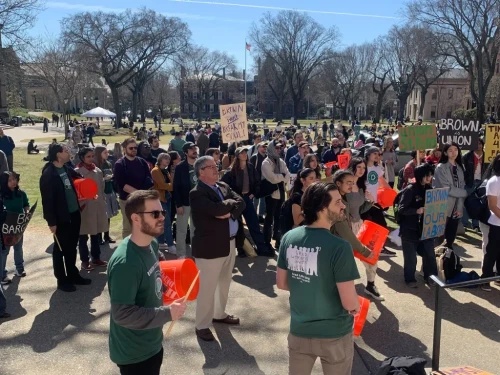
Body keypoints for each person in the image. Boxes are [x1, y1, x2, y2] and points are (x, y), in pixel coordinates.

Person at [277, 182, 360, 375]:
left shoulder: (289, 238)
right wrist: (356, 306)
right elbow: (349, 302)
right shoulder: (340, 247)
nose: (343, 205)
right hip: (334, 334)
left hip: (299, 331)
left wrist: (308, 285)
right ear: (323, 208)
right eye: (338, 201)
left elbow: (281, 283)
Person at [107, 190, 187, 374]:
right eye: (155, 214)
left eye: (163, 212)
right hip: (134, 354)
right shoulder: (125, 264)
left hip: (152, 342)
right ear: (135, 219)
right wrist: (168, 313)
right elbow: (122, 314)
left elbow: (155, 267)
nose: (162, 218)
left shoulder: (151, 243)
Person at [190, 156, 245, 341]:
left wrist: (227, 210)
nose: (216, 169)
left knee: (224, 282)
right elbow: (215, 210)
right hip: (210, 247)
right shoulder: (197, 192)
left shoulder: (222, 186)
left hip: (229, 243)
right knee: (207, 288)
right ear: (201, 172)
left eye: (216, 166)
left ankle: (219, 314)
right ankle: (202, 325)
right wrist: (225, 207)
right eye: (210, 167)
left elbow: (241, 201)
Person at [40, 143, 91, 292]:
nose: (69, 153)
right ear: (58, 154)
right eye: (66, 151)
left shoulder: (66, 168)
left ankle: (73, 275)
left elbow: (77, 177)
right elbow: (47, 201)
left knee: (71, 247)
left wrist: (88, 189)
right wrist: (51, 222)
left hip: (74, 213)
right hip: (61, 218)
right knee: (60, 249)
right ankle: (62, 280)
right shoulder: (49, 174)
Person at [331, 169, 384, 300]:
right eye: (348, 182)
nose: (351, 185)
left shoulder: (350, 192)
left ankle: (370, 286)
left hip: (354, 228)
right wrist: (363, 250)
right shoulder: (335, 199)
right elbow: (343, 229)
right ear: (338, 183)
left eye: (352, 182)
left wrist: (370, 202)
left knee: (371, 260)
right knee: (342, 274)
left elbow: (357, 211)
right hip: (338, 240)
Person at [222, 147, 272, 257]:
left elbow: (257, 182)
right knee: (238, 226)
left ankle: (262, 249)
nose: (244, 154)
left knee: (253, 224)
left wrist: (253, 193)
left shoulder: (250, 167)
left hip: (247, 199)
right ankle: (241, 250)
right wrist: (233, 197)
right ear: (237, 156)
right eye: (241, 153)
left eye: (245, 152)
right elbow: (224, 186)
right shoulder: (232, 170)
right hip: (236, 201)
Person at [398, 164, 438, 287]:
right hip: (409, 229)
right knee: (411, 257)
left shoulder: (430, 190)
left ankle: (430, 277)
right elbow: (401, 209)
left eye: (431, 175)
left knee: (429, 254)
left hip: (426, 229)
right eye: (427, 175)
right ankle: (410, 279)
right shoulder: (410, 190)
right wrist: (416, 211)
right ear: (420, 175)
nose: (429, 177)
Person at [75, 147, 109, 271]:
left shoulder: (98, 171)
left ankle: (96, 257)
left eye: (92, 156)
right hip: (84, 207)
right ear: (82, 157)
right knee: (83, 235)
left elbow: (102, 187)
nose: (91, 159)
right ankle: (85, 260)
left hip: (97, 205)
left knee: (96, 233)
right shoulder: (77, 171)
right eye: (88, 156)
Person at [114, 138, 154, 239]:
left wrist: (143, 194)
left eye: (135, 148)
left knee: (142, 225)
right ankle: (128, 251)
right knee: (128, 227)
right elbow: (123, 185)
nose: (133, 150)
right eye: (130, 148)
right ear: (124, 149)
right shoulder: (120, 164)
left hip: (142, 200)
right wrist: (139, 193)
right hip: (127, 201)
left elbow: (149, 179)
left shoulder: (142, 162)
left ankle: (141, 248)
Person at [361, 147, 396, 256]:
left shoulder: (377, 169)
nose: (377, 155)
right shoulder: (362, 167)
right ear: (368, 155)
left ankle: (379, 248)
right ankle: (368, 249)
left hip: (374, 203)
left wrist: (394, 194)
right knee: (368, 227)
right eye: (374, 153)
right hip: (364, 203)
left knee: (381, 226)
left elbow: (383, 182)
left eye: (378, 153)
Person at [433, 142, 468, 250]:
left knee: (450, 239)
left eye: (456, 150)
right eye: (450, 150)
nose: (454, 153)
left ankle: (447, 263)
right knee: (438, 240)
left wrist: (459, 208)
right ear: (445, 152)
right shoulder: (441, 167)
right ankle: (431, 264)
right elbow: (447, 189)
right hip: (442, 207)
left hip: (455, 209)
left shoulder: (460, 168)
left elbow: (462, 186)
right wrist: (465, 193)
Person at [0, 172, 29, 283]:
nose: (13, 182)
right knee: (4, 251)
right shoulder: (1, 196)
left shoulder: (21, 194)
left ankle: (19, 269)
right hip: (5, 228)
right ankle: (2, 275)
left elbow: (26, 204)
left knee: (18, 247)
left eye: (15, 179)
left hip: (18, 227)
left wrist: (26, 212)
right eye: (10, 180)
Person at [261, 140, 290, 250]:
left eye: (280, 148)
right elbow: (272, 178)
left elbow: (287, 175)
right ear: (271, 149)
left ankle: (277, 239)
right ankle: (266, 241)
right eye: (276, 148)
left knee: (279, 217)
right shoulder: (266, 163)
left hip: (281, 192)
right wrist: (281, 176)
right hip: (271, 193)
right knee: (269, 218)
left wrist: (281, 176)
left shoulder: (280, 161)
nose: (279, 150)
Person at [172, 142, 198, 258]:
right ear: (186, 152)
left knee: (195, 231)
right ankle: (181, 254)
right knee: (181, 231)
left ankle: (195, 254)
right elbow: (176, 187)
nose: (194, 150)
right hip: (184, 203)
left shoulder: (200, 165)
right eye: (191, 149)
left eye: (195, 148)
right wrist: (178, 204)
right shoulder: (180, 167)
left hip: (198, 203)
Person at [480, 154, 500, 291]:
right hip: (496, 223)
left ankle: (498, 277)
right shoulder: (494, 181)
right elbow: (492, 205)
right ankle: (486, 278)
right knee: (492, 251)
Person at [94, 145, 118, 245]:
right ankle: (99, 237)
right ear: (99, 154)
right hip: (101, 192)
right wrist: (104, 179)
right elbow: (95, 181)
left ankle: (107, 235)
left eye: (107, 152)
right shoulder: (95, 165)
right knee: (101, 215)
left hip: (109, 190)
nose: (107, 154)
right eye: (105, 153)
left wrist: (112, 177)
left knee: (108, 215)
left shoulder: (108, 163)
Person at [152, 153, 175, 253]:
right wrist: (171, 186)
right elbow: (162, 185)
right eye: (165, 159)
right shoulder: (155, 170)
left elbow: (170, 183)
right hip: (160, 199)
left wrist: (170, 184)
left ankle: (161, 242)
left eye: (169, 159)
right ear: (160, 159)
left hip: (167, 198)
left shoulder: (166, 171)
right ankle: (170, 245)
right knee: (167, 222)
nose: (168, 161)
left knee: (164, 221)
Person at [462, 138, 485, 231]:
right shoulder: (467, 155)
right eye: (476, 143)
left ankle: (476, 225)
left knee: (478, 204)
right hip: (469, 182)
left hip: (481, 182)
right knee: (465, 201)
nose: (478, 146)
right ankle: (465, 223)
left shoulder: (487, 155)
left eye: (480, 144)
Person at [250, 141, 268, 222]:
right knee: (255, 200)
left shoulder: (267, 157)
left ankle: (260, 215)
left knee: (263, 200)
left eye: (265, 147)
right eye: (262, 146)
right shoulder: (254, 157)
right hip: (256, 182)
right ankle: (254, 215)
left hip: (264, 181)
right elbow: (250, 169)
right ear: (258, 148)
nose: (264, 148)